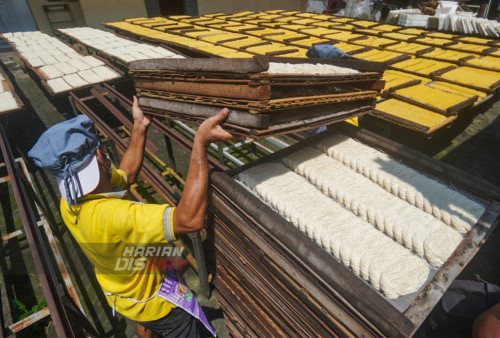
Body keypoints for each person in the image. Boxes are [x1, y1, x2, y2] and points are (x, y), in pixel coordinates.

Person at [28, 96, 233, 337]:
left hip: (123, 296)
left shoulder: (69, 201)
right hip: (158, 306)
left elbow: (126, 175)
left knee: (144, 324)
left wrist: (139, 126)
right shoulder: (114, 216)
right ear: (100, 157)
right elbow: (189, 220)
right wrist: (199, 143)